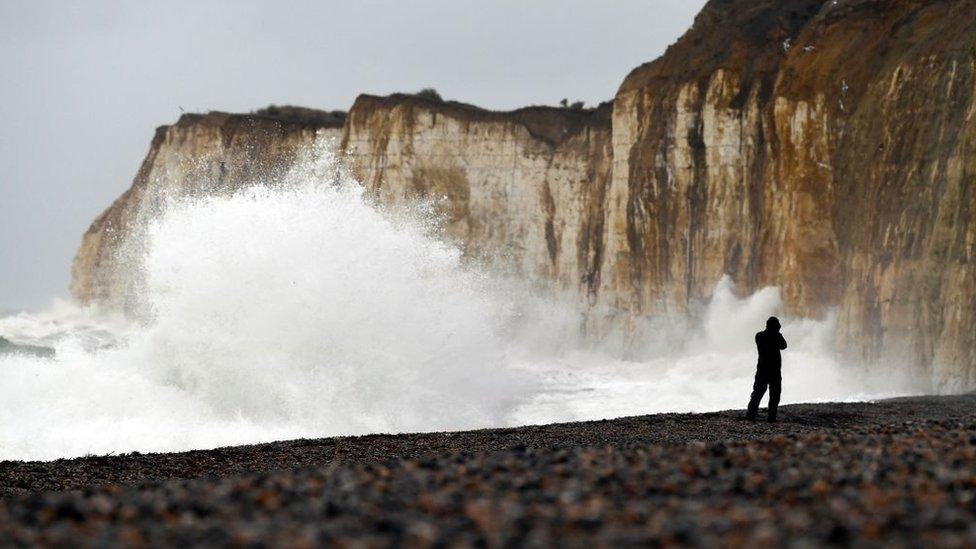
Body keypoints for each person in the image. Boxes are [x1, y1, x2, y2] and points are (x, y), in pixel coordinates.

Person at [745, 316, 788, 422]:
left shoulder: (759, 336)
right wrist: (778, 334)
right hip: (774, 371)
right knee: (774, 395)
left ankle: (750, 415)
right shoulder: (776, 336)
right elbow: (784, 346)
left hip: (762, 369)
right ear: (776, 327)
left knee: (757, 393)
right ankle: (771, 417)